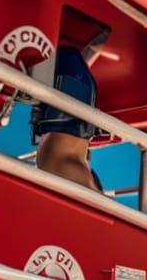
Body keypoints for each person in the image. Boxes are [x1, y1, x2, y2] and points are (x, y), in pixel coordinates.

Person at [31, 43, 104, 191]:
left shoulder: (71, 172)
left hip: (66, 129)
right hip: (66, 131)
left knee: (67, 54)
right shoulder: (80, 171)